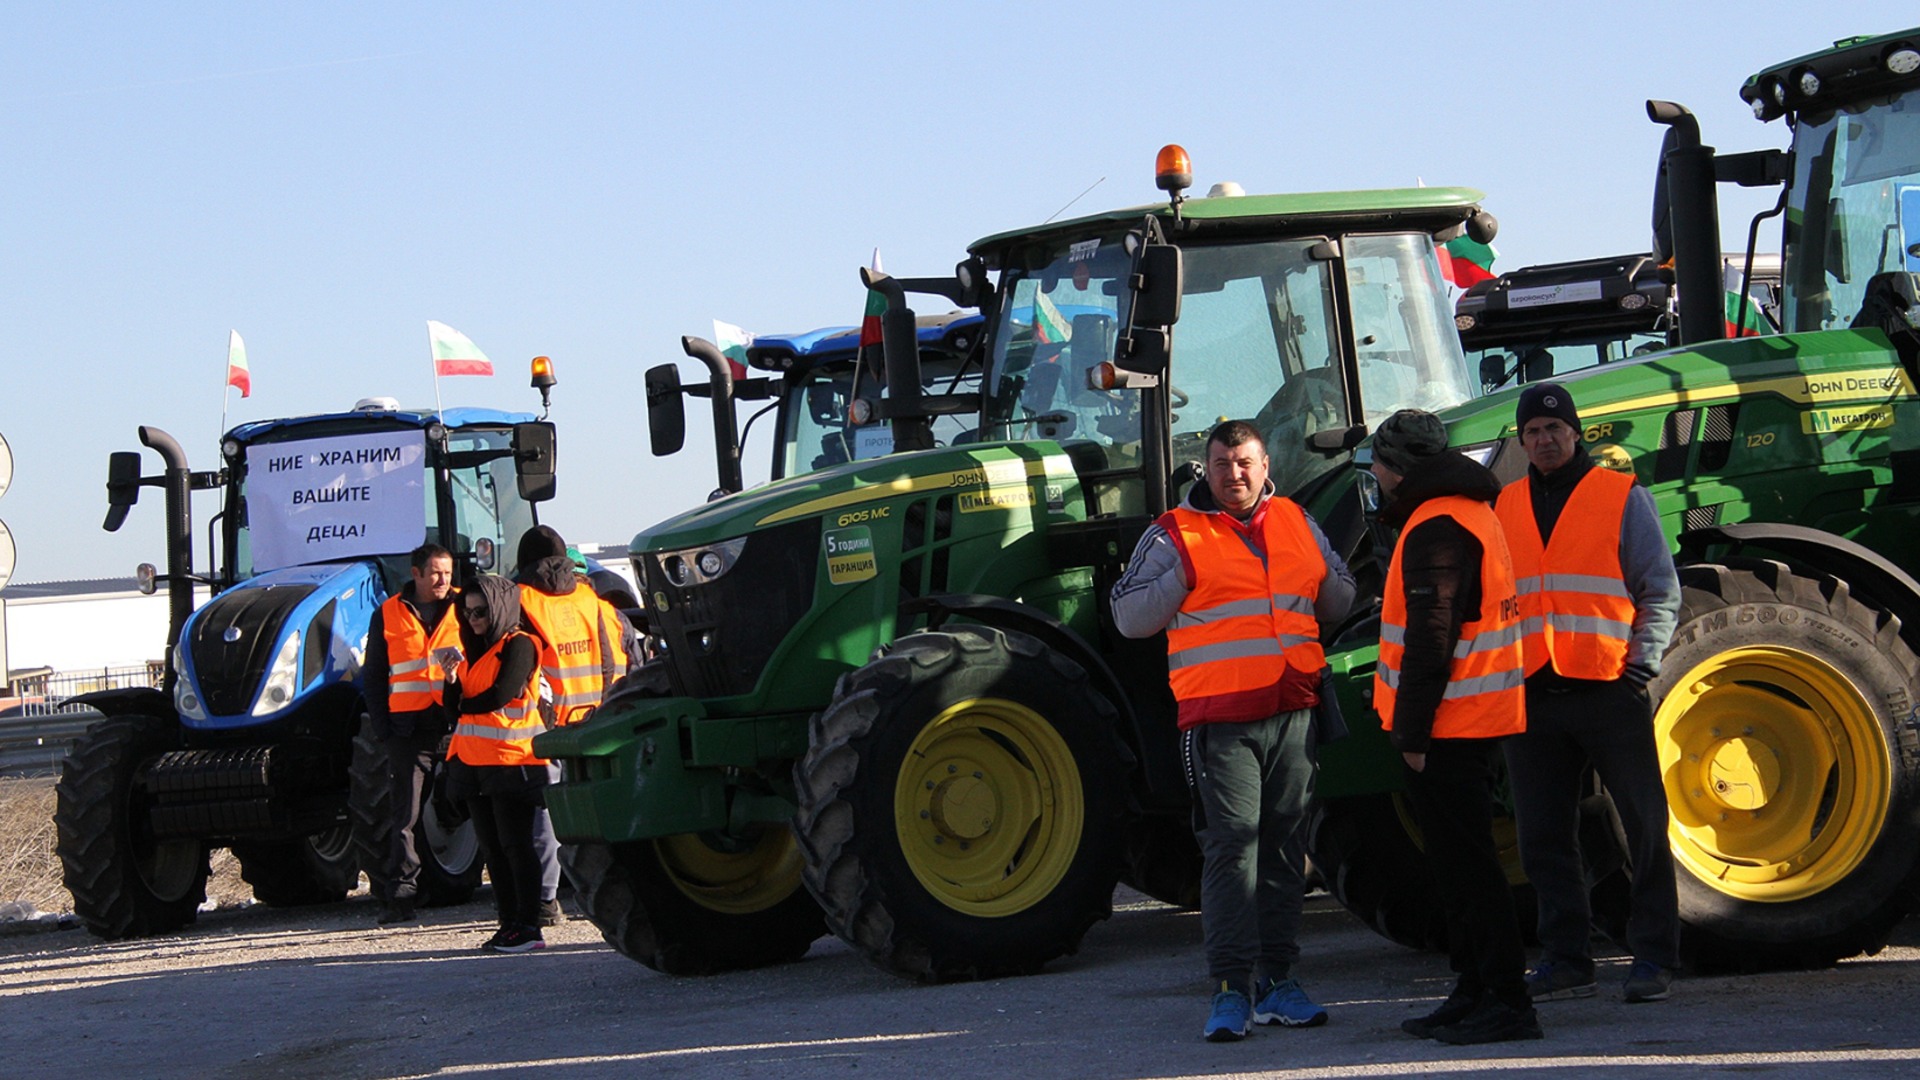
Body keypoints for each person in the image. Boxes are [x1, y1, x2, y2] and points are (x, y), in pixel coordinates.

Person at [1111, 419, 1355, 1043]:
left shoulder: (1297, 521)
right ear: (1208, 469)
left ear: (1265, 464)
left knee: (1284, 849)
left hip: (1293, 712)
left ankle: (1279, 983)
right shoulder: (1174, 533)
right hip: (1220, 723)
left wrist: (1323, 579)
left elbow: (1340, 599)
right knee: (1231, 853)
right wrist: (1182, 576)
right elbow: (1129, 617)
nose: (1235, 474)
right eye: (1223, 464)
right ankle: (1230, 989)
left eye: (1245, 462)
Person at [1493, 382, 1681, 1004]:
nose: (1544, 440)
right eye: (1533, 432)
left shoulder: (1621, 496)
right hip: (1534, 692)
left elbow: (1659, 587)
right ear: (1522, 442)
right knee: (1543, 838)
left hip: (1608, 687)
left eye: (1554, 429)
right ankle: (1567, 959)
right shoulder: (1504, 505)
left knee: (1643, 827)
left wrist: (1642, 664)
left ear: (1575, 433)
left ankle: (1654, 958)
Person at [1368, 408, 1538, 1046]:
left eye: (1377, 464)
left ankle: (1508, 1000)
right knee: (1457, 866)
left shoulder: (1436, 524)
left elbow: (1430, 639)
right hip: (1470, 717)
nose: (1374, 475)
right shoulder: (1465, 510)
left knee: (1470, 870)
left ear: (1395, 468)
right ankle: (1475, 988)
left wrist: (1411, 735)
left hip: (1450, 725)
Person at [513, 525, 632, 927]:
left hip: (544, 726)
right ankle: (619, 887)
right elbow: (619, 657)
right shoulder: (593, 600)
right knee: (604, 809)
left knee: (547, 814)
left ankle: (546, 901)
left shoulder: (519, 601)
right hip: (599, 720)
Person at [443, 573, 549, 953]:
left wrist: (463, 704)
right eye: (467, 612)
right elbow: (452, 708)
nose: (472, 619)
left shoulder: (519, 644)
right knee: (492, 848)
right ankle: (509, 923)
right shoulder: (472, 650)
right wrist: (451, 680)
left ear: (500, 609)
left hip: (511, 759)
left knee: (515, 845)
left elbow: (501, 694)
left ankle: (529, 926)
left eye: (481, 612)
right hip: (473, 762)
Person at [363, 542, 459, 926]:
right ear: (415, 573)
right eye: (435, 573)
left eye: (447, 573)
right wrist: (383, 728)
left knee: (469, 804)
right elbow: (374, 675)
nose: (442, 580)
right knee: (404, 817)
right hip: (408, 730)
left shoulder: (465, 606)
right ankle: (401, 897)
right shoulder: (388, 613)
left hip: (457, 724)